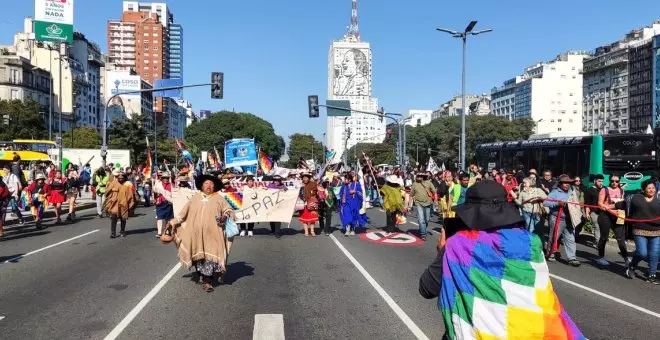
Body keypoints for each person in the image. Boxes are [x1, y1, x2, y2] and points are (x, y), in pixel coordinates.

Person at [418, 181, 584, 339]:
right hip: (536, 331)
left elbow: (426, 288)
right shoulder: (532, 242)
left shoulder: (459, 245)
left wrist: (443, 252)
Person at [169, 173, 235, 292]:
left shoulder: (219, 198)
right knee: (199, 257)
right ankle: (201, 275)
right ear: (202, 186)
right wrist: (172, 222)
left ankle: (207, 281)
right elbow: (183, 214)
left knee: (210, 258)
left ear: (214, 186)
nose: (208, 185)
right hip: (195, 234)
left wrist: (224, 216)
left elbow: (229, 209)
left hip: (213, 234)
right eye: (206, 183)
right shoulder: (195, 198)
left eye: (211, 183)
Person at [625, 180, 660, 284]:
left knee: (654, 254)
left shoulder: (659, 199)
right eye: (649, 188)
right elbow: (623, 205)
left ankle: (652, 275)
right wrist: (607, 206)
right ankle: (632, 265)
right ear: (643, 189)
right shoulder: (635, 198)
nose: (651, 190)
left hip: (656, 231)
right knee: (642, 253)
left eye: (653, 188)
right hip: (640, 230)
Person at [544, 174, 582, 266]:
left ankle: (572, 258)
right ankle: (551, 253)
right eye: (565, 183)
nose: (567, 184)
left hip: (569, 219)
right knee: (554, 237)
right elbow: (546, 202)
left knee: (570, 238)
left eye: (568, 183)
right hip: (557, 218)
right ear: (560, 184)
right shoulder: (555, 192)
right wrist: (557, 203)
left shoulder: (572, 192)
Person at [596, 174, 629, 266]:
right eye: (612, 181)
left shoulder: (621, 191)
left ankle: (626, 258)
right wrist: (612, 207)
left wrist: (616, 207)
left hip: (618, 216)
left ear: (619, 181)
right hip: (605, 216)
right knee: (604, 237)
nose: (614, 183)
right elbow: (600, 204)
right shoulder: (604, 190)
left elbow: (622, 204)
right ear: (610, 181)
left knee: (621, 239)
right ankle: (601, 257)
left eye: (617, 181)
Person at [104, 171, 135, 238]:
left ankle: (122, 231)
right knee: (114, 219)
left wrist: (130, 205)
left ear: (124, 178)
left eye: (122, 178)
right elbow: (107, 192)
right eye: (119, 178)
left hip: (123, 205)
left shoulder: (127, 185)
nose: (120, 179)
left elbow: (130, 196)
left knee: (123, 219)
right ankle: (113, 233)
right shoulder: (113, 184)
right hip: (114, 204)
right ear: (117, 178)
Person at [411, 172, 437, 241]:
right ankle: (423, 234)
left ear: (423, 177)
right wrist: (408, 205)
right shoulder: (414, 184)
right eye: (418, 176)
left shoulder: (429, 183)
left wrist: (436, 200)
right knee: (421, 219)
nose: (418, 177)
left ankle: (422, 228)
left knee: (427, 219)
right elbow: (411, 194)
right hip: (418, 203)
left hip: (428, 203)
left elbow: (434, 191)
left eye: (420, 176)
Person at [584, 174, 604, 246]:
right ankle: (599, 243)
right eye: (599, 181)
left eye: (602, 181)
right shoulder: (589, 190)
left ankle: (597, 241)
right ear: (595, 181)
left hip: (603, 212)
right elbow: (587, 203)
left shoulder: (604, 189)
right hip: (594, 211)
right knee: (597, 226)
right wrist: (587, 213)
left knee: (602, 227)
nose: (601, 183)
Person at [153, 172, 174, 238]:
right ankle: (160, 232)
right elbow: (154, 193)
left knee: (169, 218)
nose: (166, 179)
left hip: (168, 203)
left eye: (167, 178)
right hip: (160, 202)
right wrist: (154, 198)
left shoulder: (172, 185)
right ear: (162, 178)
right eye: (164, 178)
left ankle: (168, 232)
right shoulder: (158, 184)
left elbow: (173, 195)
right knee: (160, 217)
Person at [299, 172, 319, 237]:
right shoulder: (300, 185)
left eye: (306, 177)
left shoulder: (313, 184)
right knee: (304, 218)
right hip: (303, 203)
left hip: (311, 203)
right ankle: (306, 231)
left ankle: (312, 231)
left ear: (309, 178)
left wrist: (312, 192)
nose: (305, 179)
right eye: (304, 177)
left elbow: (315, 191)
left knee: (312, 218)